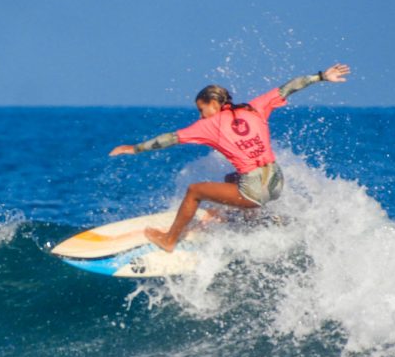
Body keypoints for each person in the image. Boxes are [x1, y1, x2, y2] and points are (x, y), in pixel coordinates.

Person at [110, 63, 350, 252]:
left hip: (255, 189)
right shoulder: (254, 108)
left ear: (213, 104)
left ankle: (169, 239)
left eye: (201, 109)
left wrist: (133, 148)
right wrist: (321, 76)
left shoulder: (209, 126)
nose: (201, 116)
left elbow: (169, 139)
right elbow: (289, 87)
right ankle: (250, 221)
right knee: (230, 177)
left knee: (195, 191)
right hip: (277, 181)